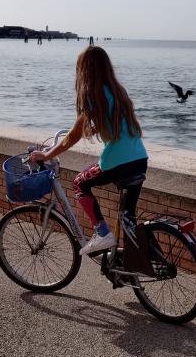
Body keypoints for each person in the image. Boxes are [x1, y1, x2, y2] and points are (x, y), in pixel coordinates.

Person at [29, 46, 148, 256]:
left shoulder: (92, 94)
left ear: (85, 70)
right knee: (128, 216)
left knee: (80, 183)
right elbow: (114, 123)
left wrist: (47, 155)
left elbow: (72, 136)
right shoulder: (118, 91)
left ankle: (102, 233)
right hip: (139, 157)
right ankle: (136, 261)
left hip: (118, 161)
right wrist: (93, 128)